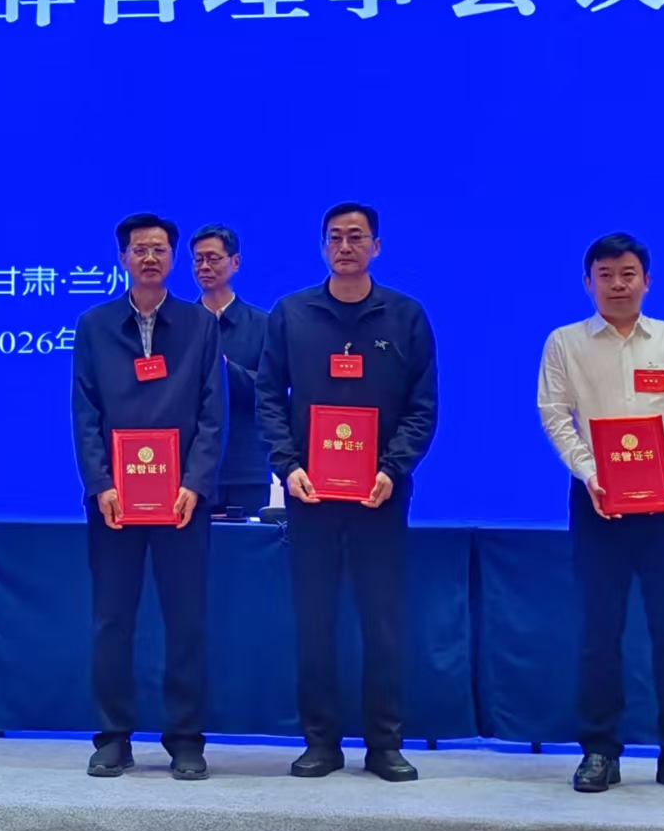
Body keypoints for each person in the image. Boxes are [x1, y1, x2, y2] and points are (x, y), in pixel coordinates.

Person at [536, 233, 664, 798]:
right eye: (605, 275)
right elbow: (555, 414)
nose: (617, 285)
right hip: (597, 500)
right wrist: (588, 472)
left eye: (627, 274)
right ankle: (599, 750)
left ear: (646, 281)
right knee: (599, 632)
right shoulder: (565, 343)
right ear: (587, 282)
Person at [256, 203, 436, 782]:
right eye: (335, 237)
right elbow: (268, 398)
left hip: (380, 496)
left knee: (382, 622)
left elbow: (422, 407)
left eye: (357, 237)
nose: (345, 247)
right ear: (322, 246)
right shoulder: (292, 313)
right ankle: (320, 742)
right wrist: (288, 467)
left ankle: (384, 744)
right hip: (310, 495)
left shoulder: (405, 316)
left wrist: (392, 469)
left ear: (376, 246)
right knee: (315, 622)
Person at [72, 213, 223, 781]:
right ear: (123, 259)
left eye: (159, 249)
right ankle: (113, 737)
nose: (150, 258)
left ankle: (186, 739)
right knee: (112, 621)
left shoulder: (199, 324)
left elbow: (213, 413)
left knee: (186, 622)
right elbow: (85, 413)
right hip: (114, 502)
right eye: (139, 249)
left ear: (173, 258)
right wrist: (101, 483)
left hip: (182, 501)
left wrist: (195, 483)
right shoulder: (94, 324)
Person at [193, 225, 268, 517]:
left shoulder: (262, 324)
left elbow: (268, 391)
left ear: (235, 262)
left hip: (246, 468)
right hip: (191, 469)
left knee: (249, 544)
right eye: (198, 259)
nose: (204, 266)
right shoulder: (180, 324)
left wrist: (224, 368)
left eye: (213, 258)